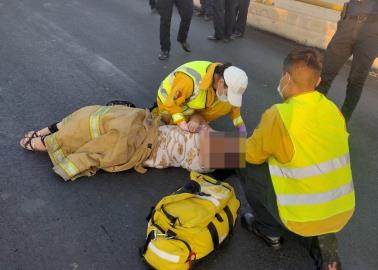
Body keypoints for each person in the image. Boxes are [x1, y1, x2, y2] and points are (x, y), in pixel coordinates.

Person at [238, 49, 355, 270]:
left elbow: (249, 153)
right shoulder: (333, 110)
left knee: (245, 163)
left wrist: (210, 144)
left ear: (286, 77)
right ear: (318, 81)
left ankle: (268, 230)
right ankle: (327, 252)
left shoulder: (280, 115)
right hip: (340, 209)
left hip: (300, 213)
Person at [20, 105, 211, 181]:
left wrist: (201, 132)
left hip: (145, 148)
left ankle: (48, 142)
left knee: (108, 139)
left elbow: (208, 155)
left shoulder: (205, 164)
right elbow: (199, 116)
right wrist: (196, 121)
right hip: (149, 125)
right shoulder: (214, 135)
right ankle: (49, 132)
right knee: (97, 114)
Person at [317, 0, 378, 122]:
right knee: (325, 72)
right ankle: (312, 112)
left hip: (372, 29)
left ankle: (343, 121)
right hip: (348, 22)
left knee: (356, 80)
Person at [154, 60, 248, 134]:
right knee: (171, 131)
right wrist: (181, 123)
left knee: (196, 129)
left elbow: (232, 105)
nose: (228, 98)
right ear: (221, 82)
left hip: (189, 104)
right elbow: (171, 103)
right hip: (168, 102)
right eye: (228, 94)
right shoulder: (190, 81)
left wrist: (240, 125)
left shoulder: (223, 81)